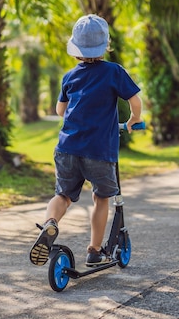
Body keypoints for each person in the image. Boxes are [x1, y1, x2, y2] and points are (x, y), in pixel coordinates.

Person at [29, 14, 142, 267]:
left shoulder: (69, 76)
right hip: (99, 151)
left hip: (67, 149)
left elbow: (61, 110)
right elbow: (135, 100)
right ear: (105, 46)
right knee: (101, 198)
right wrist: (134, 119)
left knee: (63, 195)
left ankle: (50, 224)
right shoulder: (114, 72)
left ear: (76, 48)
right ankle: (93, 250)